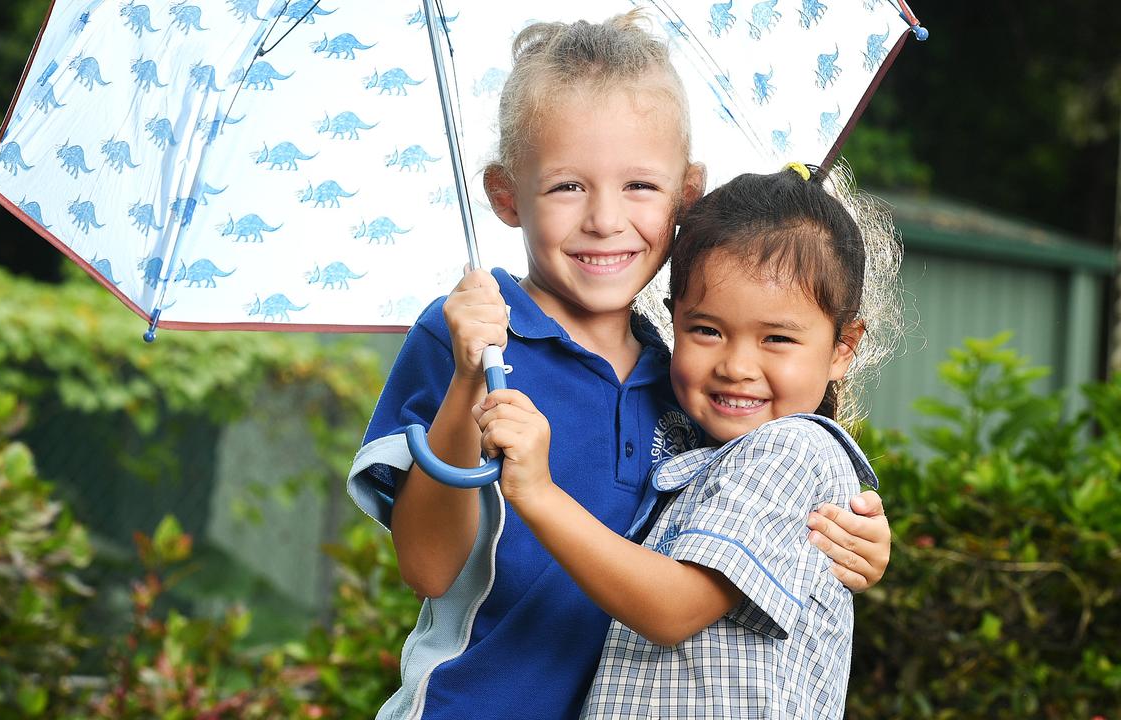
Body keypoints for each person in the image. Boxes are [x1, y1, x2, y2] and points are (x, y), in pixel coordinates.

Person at [346, 13, 891, 720]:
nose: (604, 219)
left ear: (685, 194)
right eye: (568, 187)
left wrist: (851, 541)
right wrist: (463, 386)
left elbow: (748, 509)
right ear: (507, 195)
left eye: (639, 186)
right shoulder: (470, 339)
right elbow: (426, 568)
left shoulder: (686, 381)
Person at [475, 164, 902, 718]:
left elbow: (672, 609)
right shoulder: (688, 443)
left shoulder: (793, 450)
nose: (737, 366)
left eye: (776, 338)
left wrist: (538, 493)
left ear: (843, 347)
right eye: (707, 330)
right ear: (672, 318)